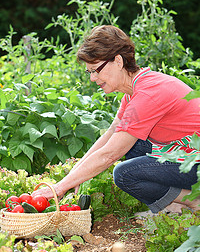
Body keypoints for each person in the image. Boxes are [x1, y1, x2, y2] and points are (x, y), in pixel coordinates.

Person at [32, 25, 200, 214]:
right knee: (134, 145)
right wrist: (71, 178)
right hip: (187, 156)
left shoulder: (148, 93)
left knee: (124, 174)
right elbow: (111, 134)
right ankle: (175, 206)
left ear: (118, 61)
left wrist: (60, 187)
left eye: (96, 70)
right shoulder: (135, 89)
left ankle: (194, 201)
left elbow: (110, 154)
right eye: (89, 72)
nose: (92, 78)